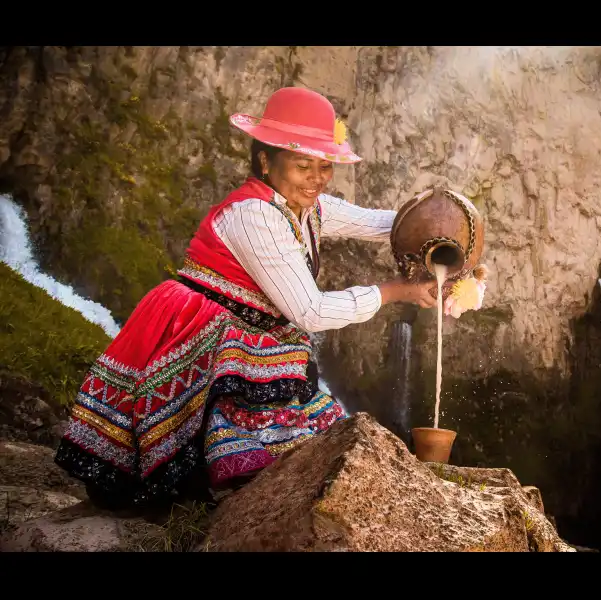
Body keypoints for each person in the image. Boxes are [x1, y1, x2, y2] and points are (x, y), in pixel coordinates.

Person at [53, 87, 479, 508]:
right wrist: (395, 292)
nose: (317, 178)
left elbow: (389, 224)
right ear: (265, 160)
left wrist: (456, 246)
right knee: (196, 466)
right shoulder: (254, 214)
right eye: (303, 165)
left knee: (311, 443)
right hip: (199, 329)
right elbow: (310, 311)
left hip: (246, 333)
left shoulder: (305, 206)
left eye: (325, 166)